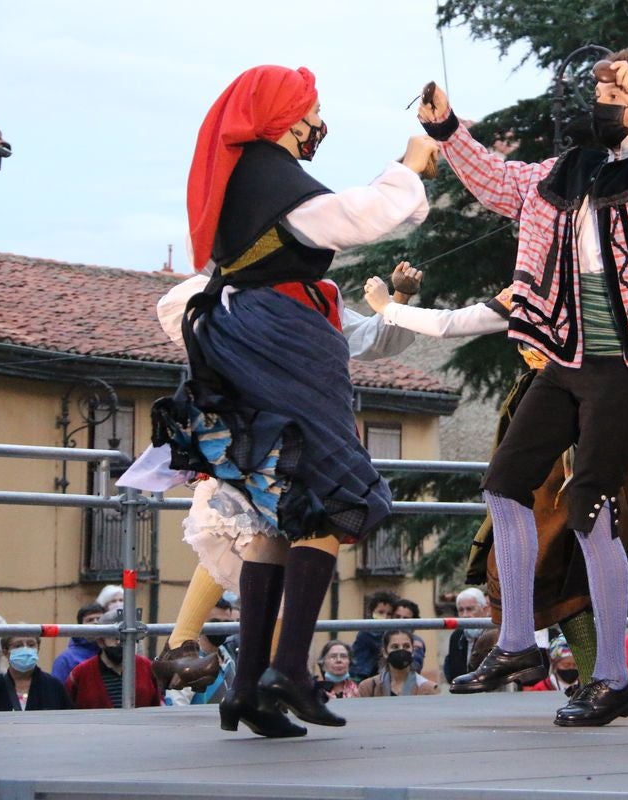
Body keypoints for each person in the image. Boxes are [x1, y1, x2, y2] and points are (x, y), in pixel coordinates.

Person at [418, 48, 628, 727]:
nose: (602, 94)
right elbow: (498, 182)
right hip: (567, 356)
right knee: (505, 481)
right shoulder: (564, 172)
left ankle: (614, 678)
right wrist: (447, 129)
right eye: (599, 85)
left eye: (617, 85)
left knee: (588, 499)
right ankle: (519, 641)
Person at [152, 64, 434, 738]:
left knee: (277, 514)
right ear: (284, 117)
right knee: (334, 495)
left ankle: (247, 689)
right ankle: (286, 670)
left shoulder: (241, 181)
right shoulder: (275, 180)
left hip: (246, 340)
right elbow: (360, 215)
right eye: (310, 112)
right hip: (281, 338)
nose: (317, 126)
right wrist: (414, 159)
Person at [367, 277, 628, 706]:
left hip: (589, 417)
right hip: (581, 410)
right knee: (593, 551)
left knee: (583, 554)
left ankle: (615, 675)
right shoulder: (554, 280)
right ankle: (609, 670)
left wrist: (388, 307)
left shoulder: (560, 279)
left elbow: (456, 322)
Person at [126, 263, 421, 692]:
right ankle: (195, 646)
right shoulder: (230, 291)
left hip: (310, 436)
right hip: (253, 431)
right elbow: (179, 311)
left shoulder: (323, 295)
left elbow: (374, 339)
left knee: (289, 543)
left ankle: (267, 675)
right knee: (245, 529)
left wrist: (400, 299)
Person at [65, 611, 163, 710]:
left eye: (126, 638)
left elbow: (157, 707)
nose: (119, 642)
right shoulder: (81, 674)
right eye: (114, 637)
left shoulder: (148, 669)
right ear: (100, 641)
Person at [0, 634, 70, 712]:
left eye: (31, 645)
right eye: (18, 646)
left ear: (38, 649)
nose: (25, 649)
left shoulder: (54, 686)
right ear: (5, 652)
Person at [357, 630, 439, 696]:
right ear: (385, 652)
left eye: (406, 646)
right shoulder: (368, 687)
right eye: (395, 647)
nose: (401, 650)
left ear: (413, 651)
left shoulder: (428, 688)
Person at [51, 602, 105, 684]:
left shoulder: (115, 653)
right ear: (80, 626)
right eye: (90, 620)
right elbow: (56, 692)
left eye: (99, 619)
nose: (95, 622)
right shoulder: (65, 659)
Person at [350, 591, 398, 682]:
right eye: (380, 612)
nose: (384, 617)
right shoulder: (368, 630)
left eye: (389, 614)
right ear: (372, 612)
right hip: (360, 674)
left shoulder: (385, 631)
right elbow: (381, 645)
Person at [443, 588, 489, 683]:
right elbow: (454, 673)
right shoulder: (456, 636)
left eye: (470, 609)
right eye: (461, 610)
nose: (465, 615)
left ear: (484, 610)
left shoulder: (495, 636)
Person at [393, 598, 428, 676]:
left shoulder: (417, 642)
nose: (400, 621)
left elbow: (415, 668)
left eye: (406, 619)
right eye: (397, 617)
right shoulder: (381, 638)